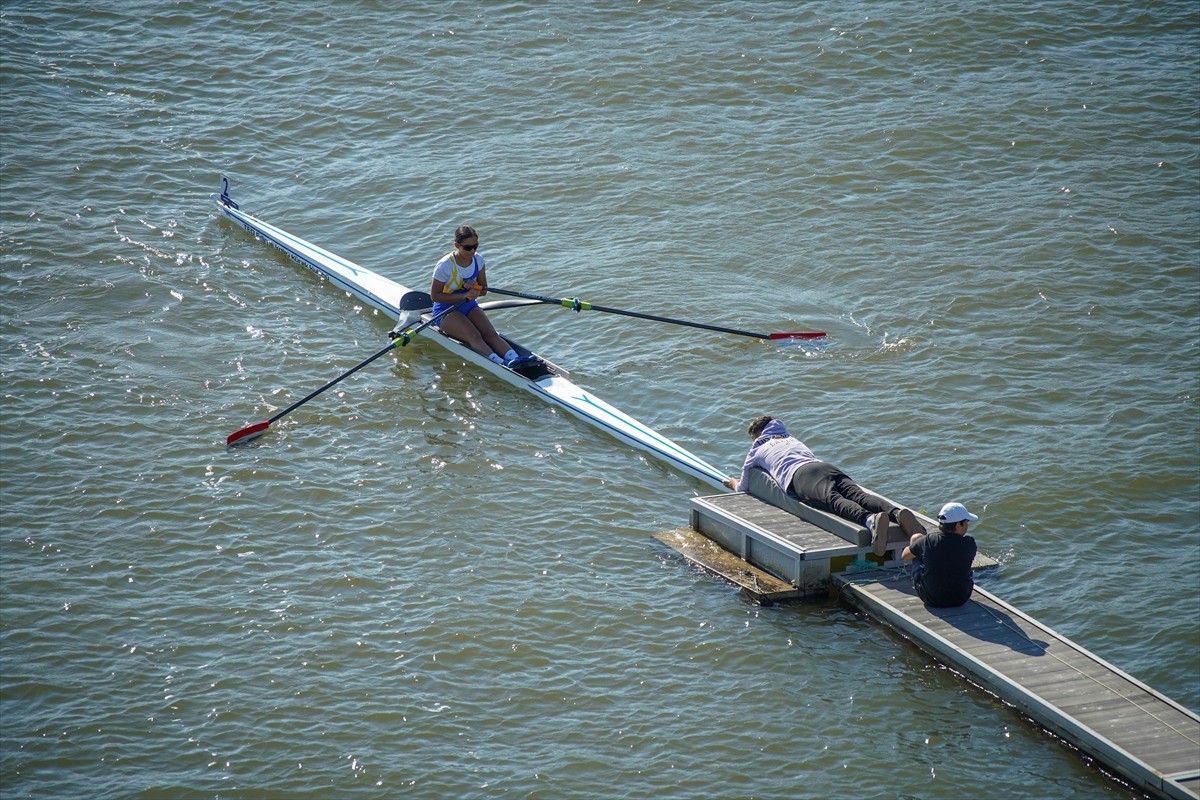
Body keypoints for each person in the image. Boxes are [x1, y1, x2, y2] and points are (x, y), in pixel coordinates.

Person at [722, 415, 923, 555]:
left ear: (757, 435)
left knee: (833, 501)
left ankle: (870, 520)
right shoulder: (790, 437)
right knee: (858, 495)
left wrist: (732, 482)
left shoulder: (757, 449)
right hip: (823, 466)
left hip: (800, 475)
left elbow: (743, 488)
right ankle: (896, 513)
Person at [430, 225, 524, 367]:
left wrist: (475, 288)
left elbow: (483, 290)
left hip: (469, 305)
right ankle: (501, 364)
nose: (472, 251)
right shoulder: (445, 266)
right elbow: (435, 296)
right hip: (445, 310)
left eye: (475, 246)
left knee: (491, 334)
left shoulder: (478, 260)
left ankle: (516, 359)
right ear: (457, 245)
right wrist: (464, 295)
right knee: (475, 336)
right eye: (468, 248)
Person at [902, 502, 979, 608]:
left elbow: (905, 556)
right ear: (957, 525)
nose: (967, 525)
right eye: (966, 522)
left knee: (916, 537)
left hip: (931, 599)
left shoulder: (928, 540)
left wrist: (920, 549)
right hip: (961, 598)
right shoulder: (970, 543)